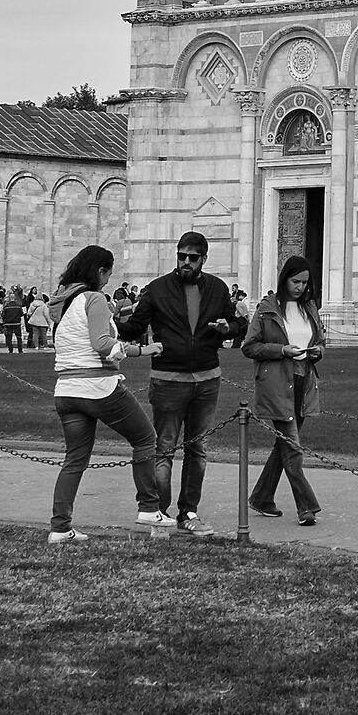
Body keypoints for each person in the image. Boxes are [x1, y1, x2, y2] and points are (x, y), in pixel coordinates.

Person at [116, 230, 245, 537]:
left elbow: (237, 324)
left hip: (206, 378)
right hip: (168, 379)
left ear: (204, 259)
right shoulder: (158, 289)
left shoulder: (217, 288)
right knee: (164, 449)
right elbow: (135, 327)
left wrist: (229, 327)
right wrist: (110, 320)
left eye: (192, 258)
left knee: (197, 448)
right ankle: (158, 515)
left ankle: (188, 512)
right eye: (181, 256)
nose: (186, 262)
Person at [45, 245, 166, 542]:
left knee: (74, 459)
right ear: (100, 272)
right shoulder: (94, 298)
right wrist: (141, 349)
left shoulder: (64, 303)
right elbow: (101, 343)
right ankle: (149, 507)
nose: (108, 280)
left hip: (66, 390)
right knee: (145, 438)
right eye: (108, 273)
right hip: (98, 386)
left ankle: (60, 527)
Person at [243, 253, 327, 526]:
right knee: (292, 447)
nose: (300, 287)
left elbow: (321, 340)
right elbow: (249, 346)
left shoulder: (309, 308)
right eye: (295, 281)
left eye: (305, 282)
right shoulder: (267, 309)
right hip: (278, 383)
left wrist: (317, 352)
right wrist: (281, 350)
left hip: (303, 382)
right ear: (284, 279)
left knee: (284, 445)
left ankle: (261, 497)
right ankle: (307, 507)